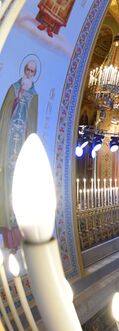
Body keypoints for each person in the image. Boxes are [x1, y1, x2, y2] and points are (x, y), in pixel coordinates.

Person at [0, 58, 39, 245]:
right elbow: (4, 115)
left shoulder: (34, 96)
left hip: (21, 146)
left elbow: (32, 125)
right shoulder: (13, 88)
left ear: (34, 74)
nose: (29, 73)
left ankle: (17, 231)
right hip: (8, 144)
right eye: (28, 70)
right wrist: (17, 99)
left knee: (19, 184)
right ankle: (5, 225)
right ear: (24, 70)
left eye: (32, 71)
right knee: (5, 181)